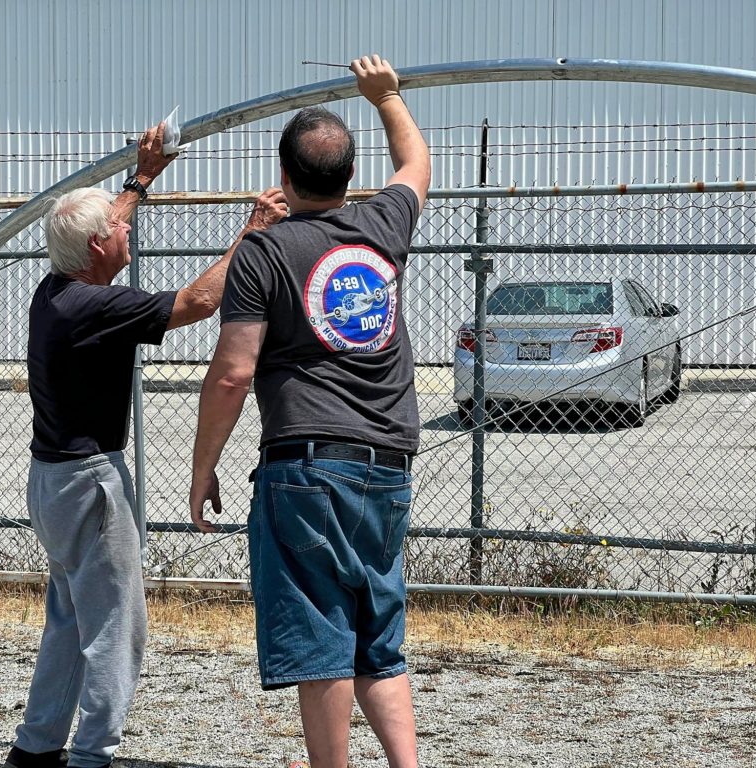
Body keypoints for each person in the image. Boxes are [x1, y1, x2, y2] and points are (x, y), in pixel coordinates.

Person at [6, 121, 287, 768]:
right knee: (115, 629)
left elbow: (105, 225)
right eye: (120, 228)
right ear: (100, 246)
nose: (129, 230)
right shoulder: (94, 308)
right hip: (89, 484)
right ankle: (92, 755)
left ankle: (37, 747)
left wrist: (141, 178)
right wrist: (253, 234)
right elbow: (196, 302)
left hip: (51, 479)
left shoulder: (57, 291)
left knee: (70, 618)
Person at [189, 55, 431, 768]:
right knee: (377, 633)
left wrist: (203, 470)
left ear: (285, 176)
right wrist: (386, 96)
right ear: (350, 179)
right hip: (388, 465)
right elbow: (415, 161)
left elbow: (233, 373)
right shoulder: (382, 226)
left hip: (307, 469)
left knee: (322, 632)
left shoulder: (264, 251)